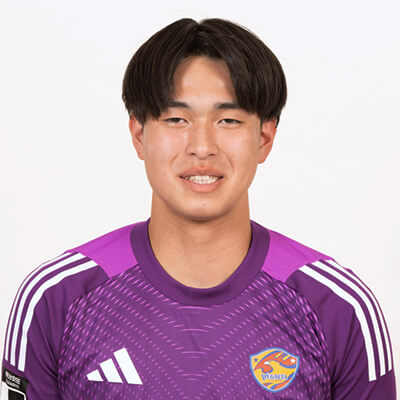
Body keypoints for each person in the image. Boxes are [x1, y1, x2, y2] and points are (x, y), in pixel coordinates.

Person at [1, 17, 396, 400]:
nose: (202, 147)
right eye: (176, 119)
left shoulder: (338, 308)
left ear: (264, 138)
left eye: (228, 120)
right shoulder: (56, 300)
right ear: (139, 135)